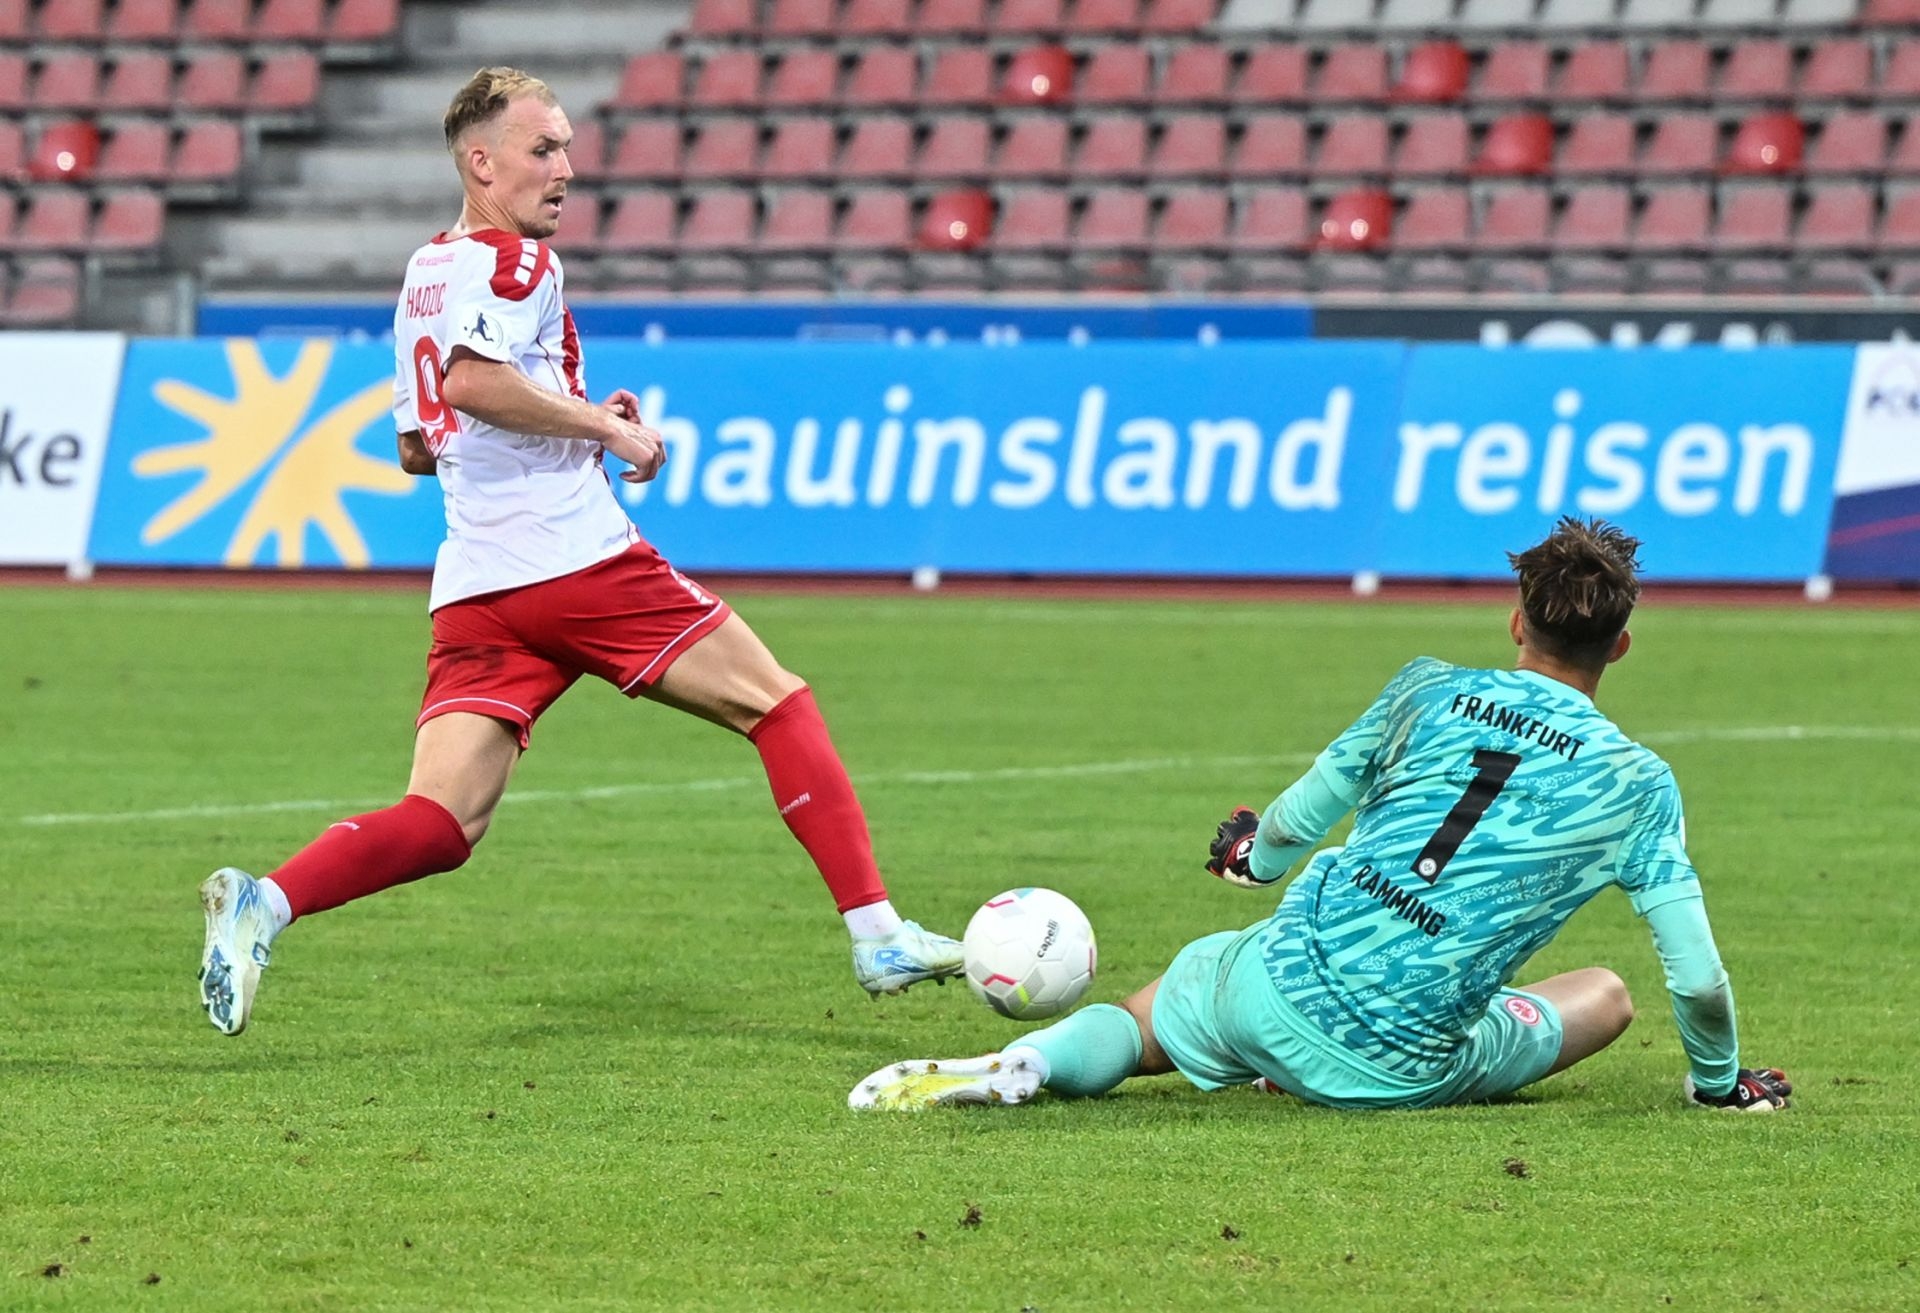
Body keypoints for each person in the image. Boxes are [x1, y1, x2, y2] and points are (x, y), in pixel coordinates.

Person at [196, 67, 964, 1037]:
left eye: (566, 147)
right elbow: (473, 383)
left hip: (479, 584)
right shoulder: (519, 263)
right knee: (776, 702)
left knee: (443, 821)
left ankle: (266, 901)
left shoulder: (427, 269)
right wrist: (608, 430)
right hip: (575, 563)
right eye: (543, 149)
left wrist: (575, 413)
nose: (566, 169)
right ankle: (877, 932)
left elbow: (418, 446)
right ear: (483, 163)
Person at [851, 519, 1791, 1115]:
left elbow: (1301, 814)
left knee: (1146, 1022)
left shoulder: (1426, 690)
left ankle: (1029, 1059)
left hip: (1270, 984)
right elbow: (1698, 977)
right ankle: (1326, 1057)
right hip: (1397, 1063)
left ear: (1517, 623)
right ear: (1619, 646)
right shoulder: (1638, 783)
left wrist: (1253, 858)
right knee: (1607, 992)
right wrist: (1719, 1084)